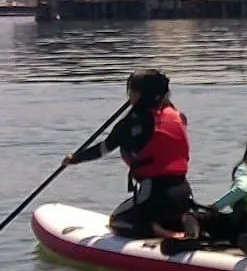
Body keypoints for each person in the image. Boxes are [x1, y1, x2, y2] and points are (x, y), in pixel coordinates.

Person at [63, 69, 193, 239]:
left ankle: (160, 231)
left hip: (155, 195)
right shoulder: (179, 117)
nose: (129, 96)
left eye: (131, 92)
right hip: (184, 194)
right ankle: (186, 221)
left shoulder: (128, 125)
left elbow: (103, 149)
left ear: (137, 94)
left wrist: (74, 159)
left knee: (117, 221)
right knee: (167, 214)